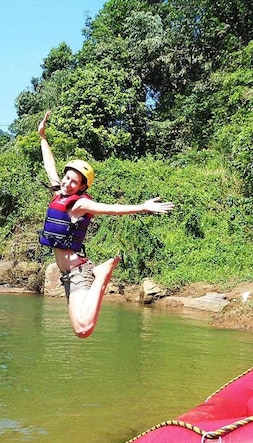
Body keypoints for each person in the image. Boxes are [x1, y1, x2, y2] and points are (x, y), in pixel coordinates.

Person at [38, 110, 174, 338]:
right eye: (67, 178)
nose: (68, 183)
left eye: (74, 181)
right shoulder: (60, 193)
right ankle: (100, 274)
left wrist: (143, 206)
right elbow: (49, 165)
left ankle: (101, 274)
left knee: (83, 330)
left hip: (78, 271)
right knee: (80, 330)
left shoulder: (79, 204)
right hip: (68, 274)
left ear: (82, 187)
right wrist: (42, 137)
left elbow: (111, 209)